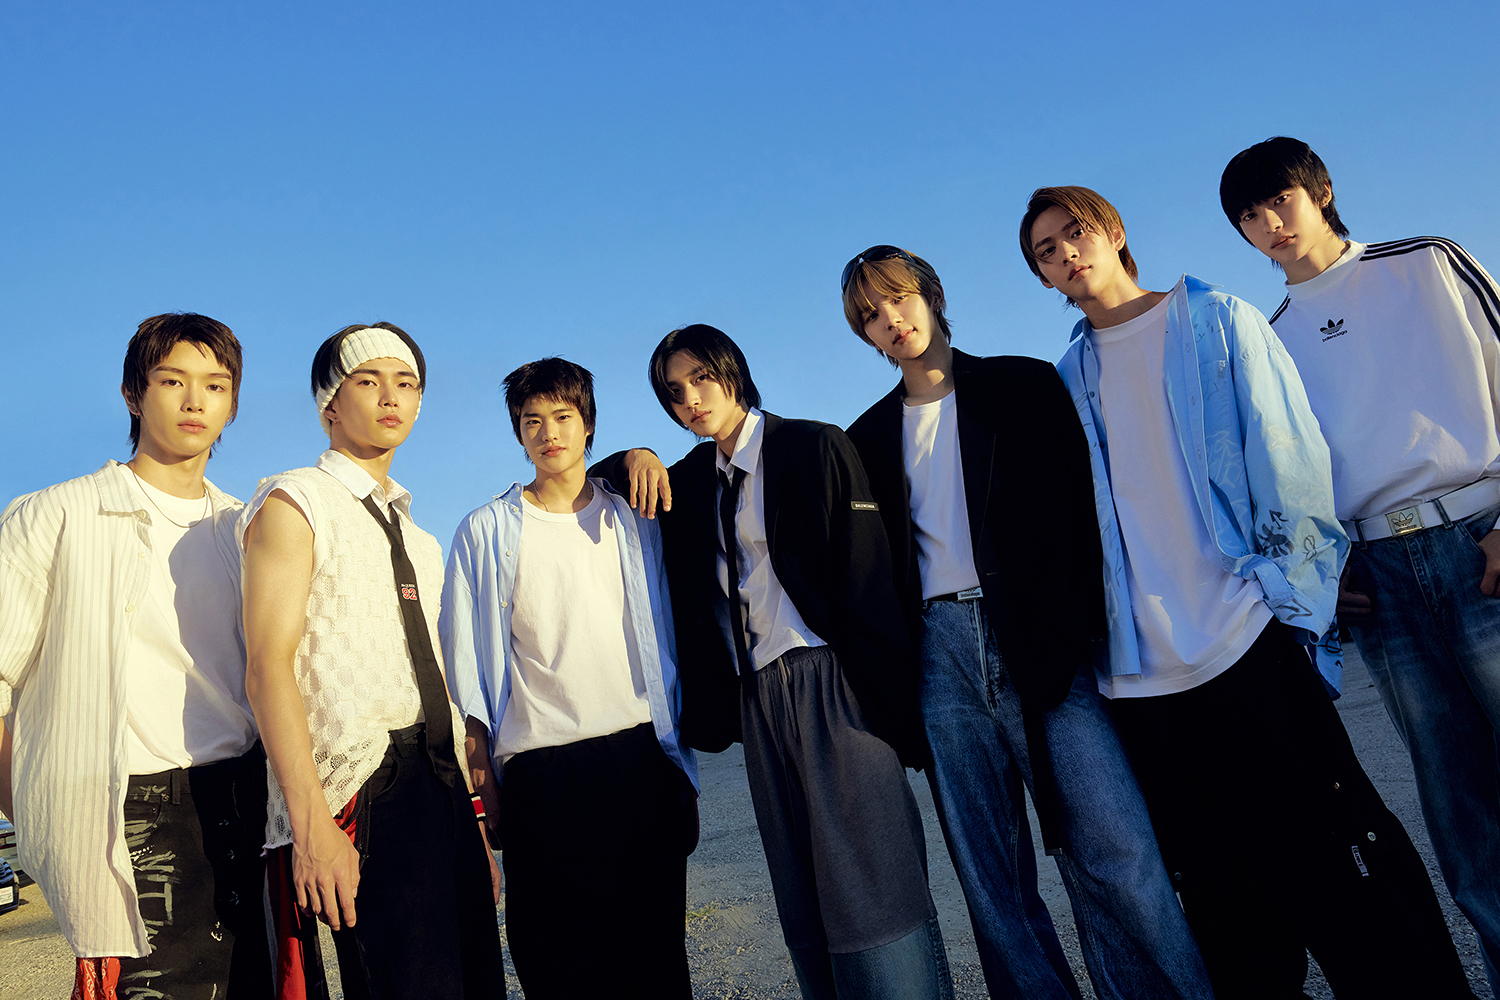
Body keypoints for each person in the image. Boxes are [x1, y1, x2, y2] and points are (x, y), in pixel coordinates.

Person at [1021, 185, 1475, 999]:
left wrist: (1299, 605)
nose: (1066, 255)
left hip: (1246, 637)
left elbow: (1289, 457)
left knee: (1338, 860)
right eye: (1045, 253)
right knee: (1227, 902)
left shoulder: (1216, 321)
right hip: (1142, 678)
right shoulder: (1064, 381)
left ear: (1114, 232)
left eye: (1074, 233)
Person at [839, 245, 1212, 1000]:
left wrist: (1078, 632)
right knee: (993, 880)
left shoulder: (1022, 385)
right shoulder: (866, 437)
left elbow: (1083, 514)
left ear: (931, 294)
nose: (892, 320)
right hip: (940, 658)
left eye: (899, 298)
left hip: (1041, 644)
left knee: (1117, 849)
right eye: (872, 315)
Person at [598, 324, 954, 1000]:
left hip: (832, 680)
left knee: (874, 884)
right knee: (802, 894)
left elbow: (870, 580)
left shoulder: (813, 446)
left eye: (702, 378)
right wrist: (632, 455)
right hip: (757, 698)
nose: (690, 399)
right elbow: (595, 483)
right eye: (673, 392)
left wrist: (889, 711)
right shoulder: (689, 482)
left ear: (732, 371)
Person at [1221, 136, 1500, 992]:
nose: (1270, 223)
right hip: (1378, 578)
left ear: (1322, 190)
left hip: (1481, 540)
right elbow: (1284, 478)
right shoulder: (1268, 341)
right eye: (1249, 216)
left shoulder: (1428, 263)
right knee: (1462, 817)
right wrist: (1327, 569)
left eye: (1281, 199)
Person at [0, 313, 272, 999]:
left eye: (215, 385)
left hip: (246, 800)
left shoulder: (247, 528)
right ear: (132, 392)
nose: (194, 401)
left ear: (233, 403)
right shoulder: (57, 515)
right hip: (132, 811)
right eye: (172, 381)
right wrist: (44, 826)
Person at [240, 323, 502, 1000]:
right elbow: (267, 665)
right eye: (368, 381)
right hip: (364, 783)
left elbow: (437, 679)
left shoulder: (420, 536)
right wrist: (312, 827)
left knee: (477, 985)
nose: (391, 396)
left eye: (406, 383)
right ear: (329, 404)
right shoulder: (295, 500)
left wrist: (472, 821)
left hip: (442, 783)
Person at [440, 357, 699, 999]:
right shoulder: (484, 531)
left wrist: (638, 454)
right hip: (543, 773)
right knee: (559, 965)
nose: (549, 432)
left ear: (588, 425)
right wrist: (481, 773)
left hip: (641, 756)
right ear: (518, 434)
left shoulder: (634, 516)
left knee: (656, 963)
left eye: (563, 416)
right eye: (532, 421)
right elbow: (464, 664)